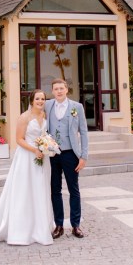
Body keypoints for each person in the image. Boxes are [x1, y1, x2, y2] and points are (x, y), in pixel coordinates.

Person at [0, 89, 54, 245]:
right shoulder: (24, 117)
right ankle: (22, 228)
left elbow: (44, 136)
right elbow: (18, 139)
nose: (40, 101)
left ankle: (41, 225)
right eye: (37, 99)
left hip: (42, 158)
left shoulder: (44, 115)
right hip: (27, 158)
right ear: (31, 100)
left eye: (43, 99)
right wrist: (35, 149)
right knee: (25, 190)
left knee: (40, 189)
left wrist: (46, 147)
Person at [45, 78, 89, 239]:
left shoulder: (77, 107)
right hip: (52, 154)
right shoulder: (48, 105)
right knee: (55, 190)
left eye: (61, 88)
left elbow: (83, 132)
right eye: (56, 89)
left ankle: (76, 225)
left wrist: (83, 156)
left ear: (66, 90)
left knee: (73, 189)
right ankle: (59, 225)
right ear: (52, 91)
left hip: (71, 153)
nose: (59, 91)